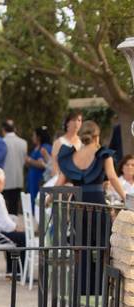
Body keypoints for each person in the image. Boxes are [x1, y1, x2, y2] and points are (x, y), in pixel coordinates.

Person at [56, 121, 126, 294]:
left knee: (82, 247)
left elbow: (59, 183)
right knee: (104, 247)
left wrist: (50, 198)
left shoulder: (72, 156)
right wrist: (126, 197)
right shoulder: (103, 153)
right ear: (97, 136)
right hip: (96, 204)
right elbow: (112, 176)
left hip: (77, 205)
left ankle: (83, 288)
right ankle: (103, 289)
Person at [1, 120, 28, 216]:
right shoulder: (23, 142)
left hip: (4, 180)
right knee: (14, 207)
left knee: (3, 207)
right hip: (18, 179)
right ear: (15, 129)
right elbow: (24, 161)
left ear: (3, 129)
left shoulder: (1, 142)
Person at [25, 126, 53, 212]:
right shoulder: (36, 148)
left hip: (39, 179)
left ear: (39, 137)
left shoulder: (45, 148)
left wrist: (30, 160)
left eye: (34, 135)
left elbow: (44, 165)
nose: (32, 138)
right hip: (32, 178)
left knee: (37, 200)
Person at [51, 111, 83, 178]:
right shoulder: (58, 142)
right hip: (61, 180)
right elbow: (54, 164)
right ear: (67, 123)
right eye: (74, 120)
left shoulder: (82, 142)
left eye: (79, 120)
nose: (76, 123)